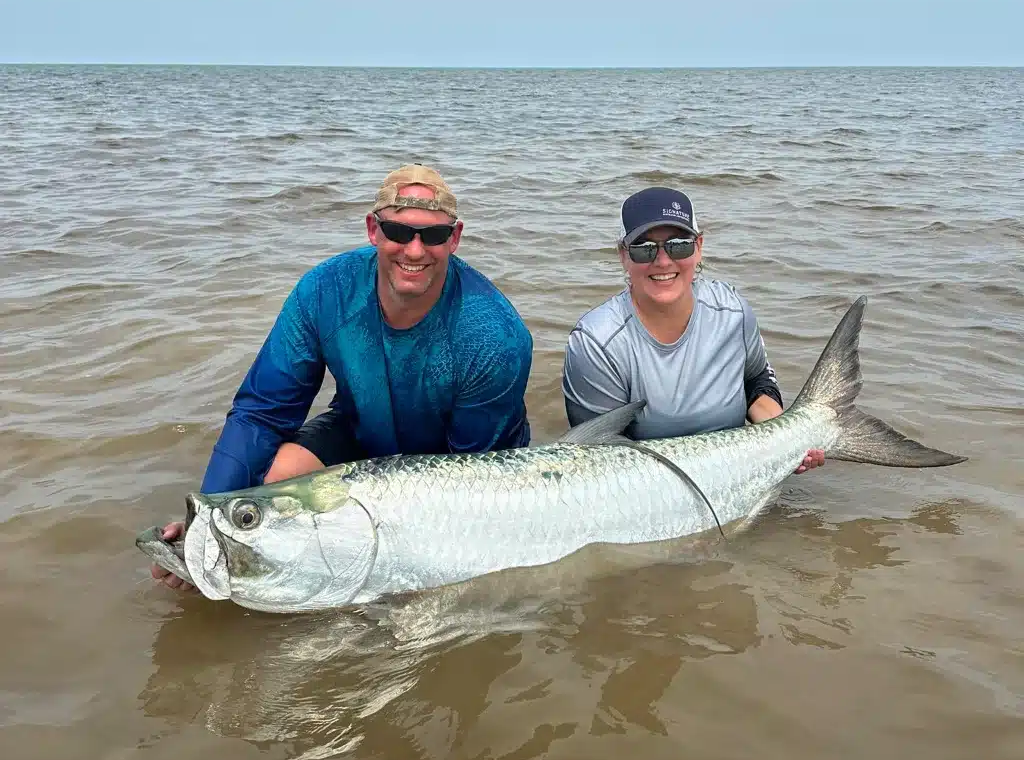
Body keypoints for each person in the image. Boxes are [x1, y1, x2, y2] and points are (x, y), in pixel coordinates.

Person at [153, 164, 533, 590]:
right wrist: (208, 520)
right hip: (363, 430)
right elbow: (261, 414)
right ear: (373, 229)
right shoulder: (324, 291)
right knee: (272, 486)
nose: (414, 250)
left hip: (468, 465)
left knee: (440, 581)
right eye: (398, 231)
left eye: (433, 235)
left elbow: (471, 483)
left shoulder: (493, 336)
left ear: (455, 238)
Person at [562, 185, 824, 472]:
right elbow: (600, 464)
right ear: (623, 255)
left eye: (679, 245)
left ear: (699, 247)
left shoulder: (733, 311)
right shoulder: (596, 343)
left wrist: (784, 439)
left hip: (742, 472)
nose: (662, 261)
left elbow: (756, 381)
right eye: (644, 249)